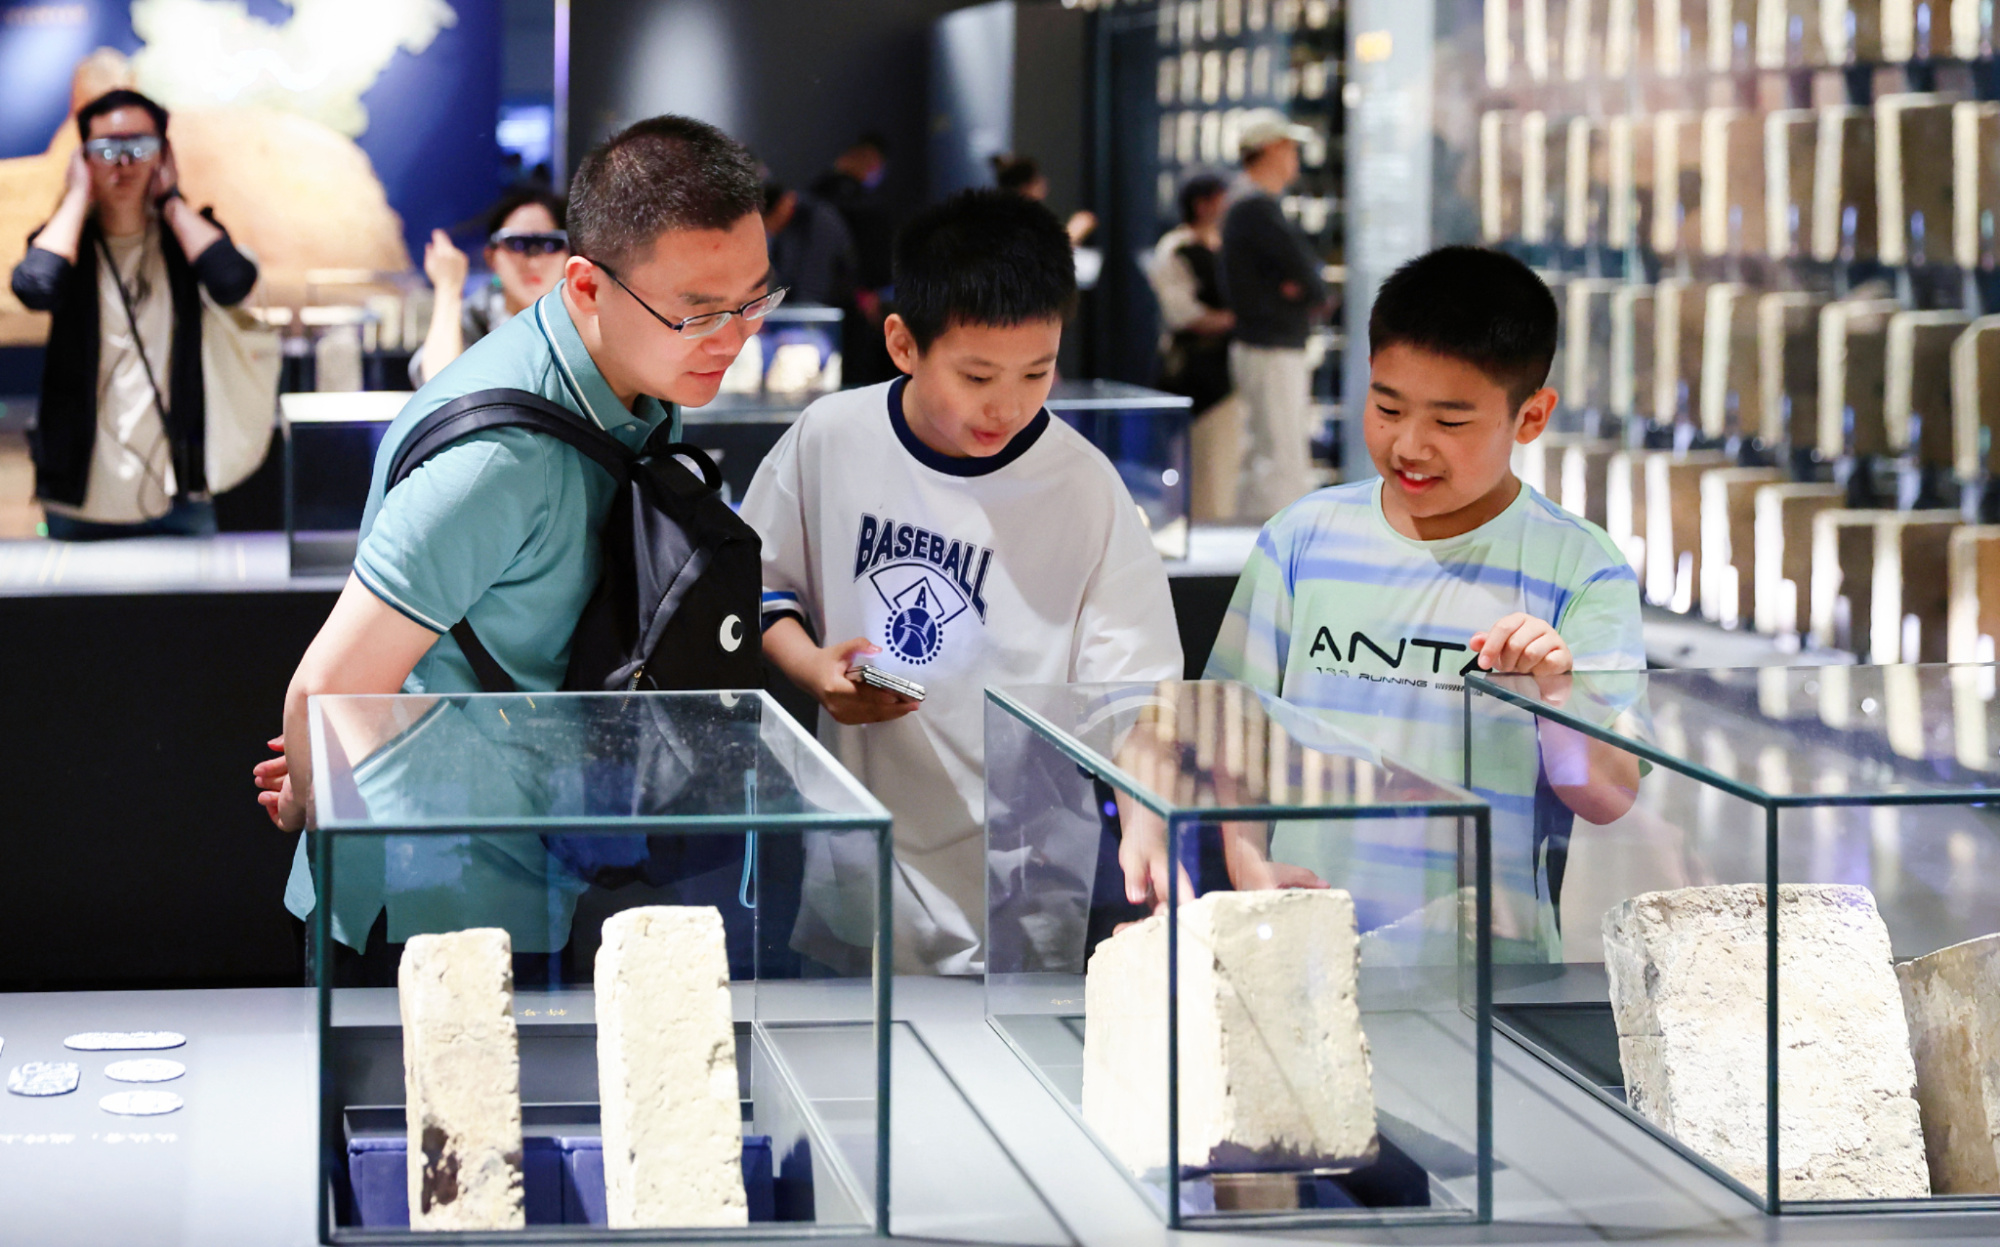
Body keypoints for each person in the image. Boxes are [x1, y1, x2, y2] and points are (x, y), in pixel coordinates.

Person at [253, 115, 776, 970]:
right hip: (427, 897)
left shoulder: (641, 378)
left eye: (754, 300)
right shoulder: (499, 460)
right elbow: (326, 689)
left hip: (540, 864)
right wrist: (309, 800)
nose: (734, 335)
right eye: (699, 311)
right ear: (587, 286)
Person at [741, 189, 1182, 974]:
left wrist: (1146, 816)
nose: (1006, 405)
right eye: (977, 375)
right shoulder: (833, 437)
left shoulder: (1083, 485)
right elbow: (761, 585)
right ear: (903, 344)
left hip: (1025, 878)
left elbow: (1135, 688)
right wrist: (812, 668)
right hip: (864, 859)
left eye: (1037, 371)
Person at [1195, 246, 1644, 962]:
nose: (1409, 444)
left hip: (1488, 968)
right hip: (1306, 946)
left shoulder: (1580, 567)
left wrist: (1558, 694)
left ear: (1530, 416)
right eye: (1387, 407)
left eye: (1450, 422)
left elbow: (1608, 798)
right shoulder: (1302, 537)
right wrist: (1248, 865)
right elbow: (1234, 726)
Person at [9, 88, 258, 540]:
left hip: (179, 493)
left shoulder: (185, 240)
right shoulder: (66, 244)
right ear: (83, 159)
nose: (123, 163)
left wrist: (172, 201)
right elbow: (36, 288)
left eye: (140, 146)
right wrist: (76, 197)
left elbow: (233, 282)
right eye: (106, 149)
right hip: (79, 495)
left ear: (164, 156)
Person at [1220, 108, 1330, 521]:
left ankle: (1255, 537)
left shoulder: (1248, 205)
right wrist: (1300, 288)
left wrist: (1300, 286)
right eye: (1288, 149)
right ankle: (1282, 542)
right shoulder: (1254, 208)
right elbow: (1309, 278)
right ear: (1268, 150)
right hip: (1270, 345)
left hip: (1263, 343)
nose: (1294, 159)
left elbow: (1304, 280)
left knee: (1264, 451)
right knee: (1281, 454)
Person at [1146, 173, 1241, 521]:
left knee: (1223, 464)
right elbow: (1182, 313)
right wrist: (1234, 319)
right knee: (1199, 462)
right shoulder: (1178, 248)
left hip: (1230, 370)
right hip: (1196, 371)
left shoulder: (1223, 247)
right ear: (1202, 204)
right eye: (1221, 199)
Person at [409, 187, 569, 386]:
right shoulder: (477, 317)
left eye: (550, 245)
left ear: (569, 255)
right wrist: (448, 288)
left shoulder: (581, 321)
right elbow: (436, 385)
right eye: (517, 244)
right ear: (491, 257)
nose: (533, 262)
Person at [761, 177, 857, 308]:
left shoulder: (819, 222)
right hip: (795, 309)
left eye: (766, 222)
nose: (767, 230)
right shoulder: (785, 228)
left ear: (782, 206)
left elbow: (813, 285)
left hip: (828, 310)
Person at [992, 152, 1096, 247]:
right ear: (1025, 187)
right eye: (1037, 180)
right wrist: (1071, 235)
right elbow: (1033, 258)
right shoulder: (1013, 223)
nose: (1044, 182)